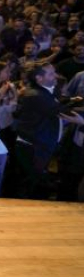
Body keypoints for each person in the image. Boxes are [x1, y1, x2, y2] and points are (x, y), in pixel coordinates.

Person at [13, 63, 82, 199]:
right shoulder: (35, 95)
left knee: (36, 183)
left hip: (41, 145)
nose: (55, 75)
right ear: (39, 78)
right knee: (30, 186)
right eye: (51, 73)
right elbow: (62, 111)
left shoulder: (47, 90)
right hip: (33, 147)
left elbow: (58, 101)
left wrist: (73, 99)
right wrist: (81, 120)